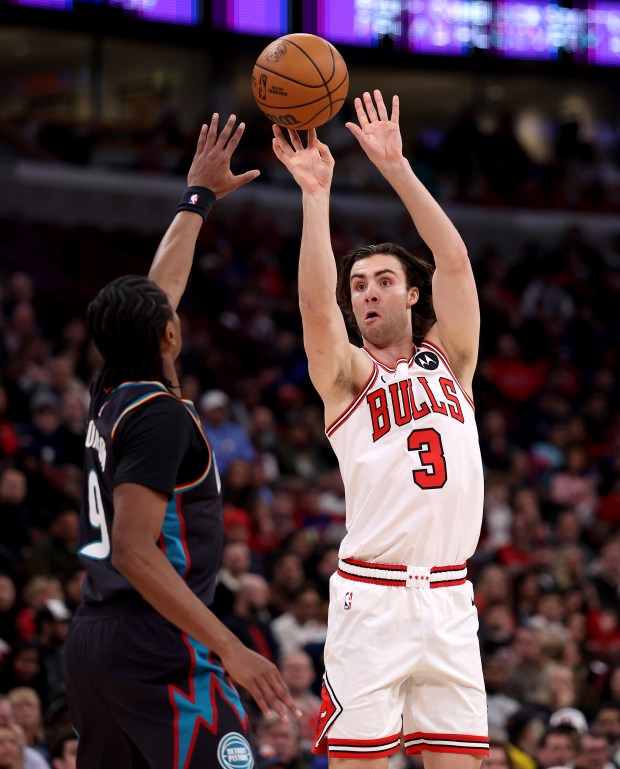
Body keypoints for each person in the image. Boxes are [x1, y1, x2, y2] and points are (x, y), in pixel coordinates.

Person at [64, 113, 299, 769]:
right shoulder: (159, 414)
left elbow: (159, 289)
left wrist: (197, 199)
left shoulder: (110, 393)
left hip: (96, 640)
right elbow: (136, 550)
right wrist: (230, 646)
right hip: (159, 642)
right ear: (169, 335)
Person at [271, 89, 488, 767]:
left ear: (412, 294)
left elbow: (455, 263)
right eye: (359, 283)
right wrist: (315, 197)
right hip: (373, 597)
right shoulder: (346, 376)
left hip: (450, 595)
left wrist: (396, 168)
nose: (367, 290)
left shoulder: (451, 359)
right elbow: (314, 307)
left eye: (383, 279)